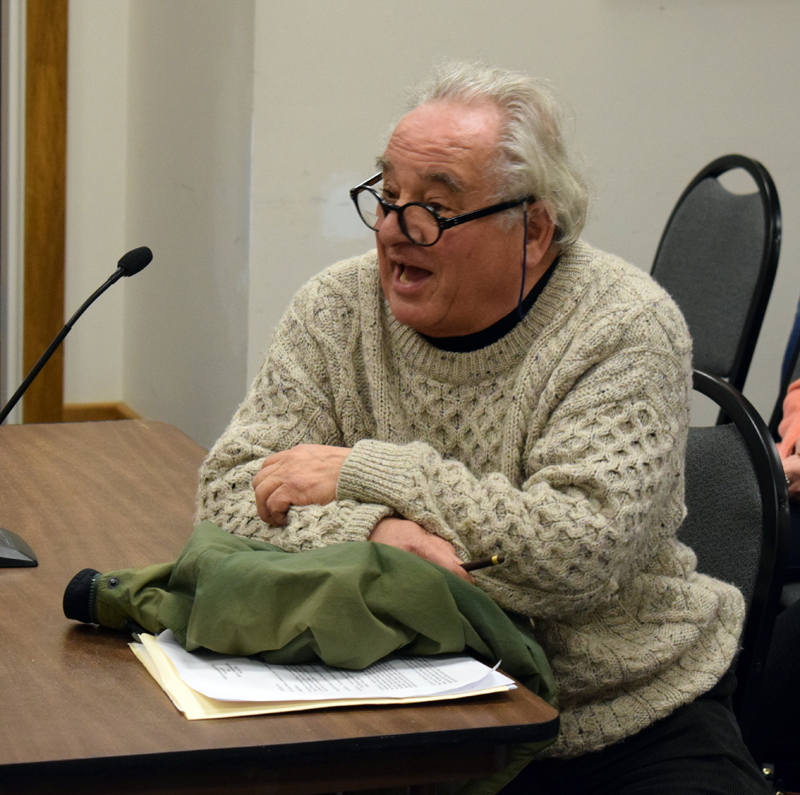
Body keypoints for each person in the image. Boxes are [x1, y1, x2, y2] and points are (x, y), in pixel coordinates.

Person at [196, 62, 769, 793]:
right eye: (388, 196)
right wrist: (375, 537)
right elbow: (228, 491)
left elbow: (574, 552)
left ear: (532, 229)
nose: (396, 232)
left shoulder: (625, 327)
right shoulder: (334, 309)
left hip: (617, 716)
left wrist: (371, 473)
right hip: (403, 704)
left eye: (434, 207)